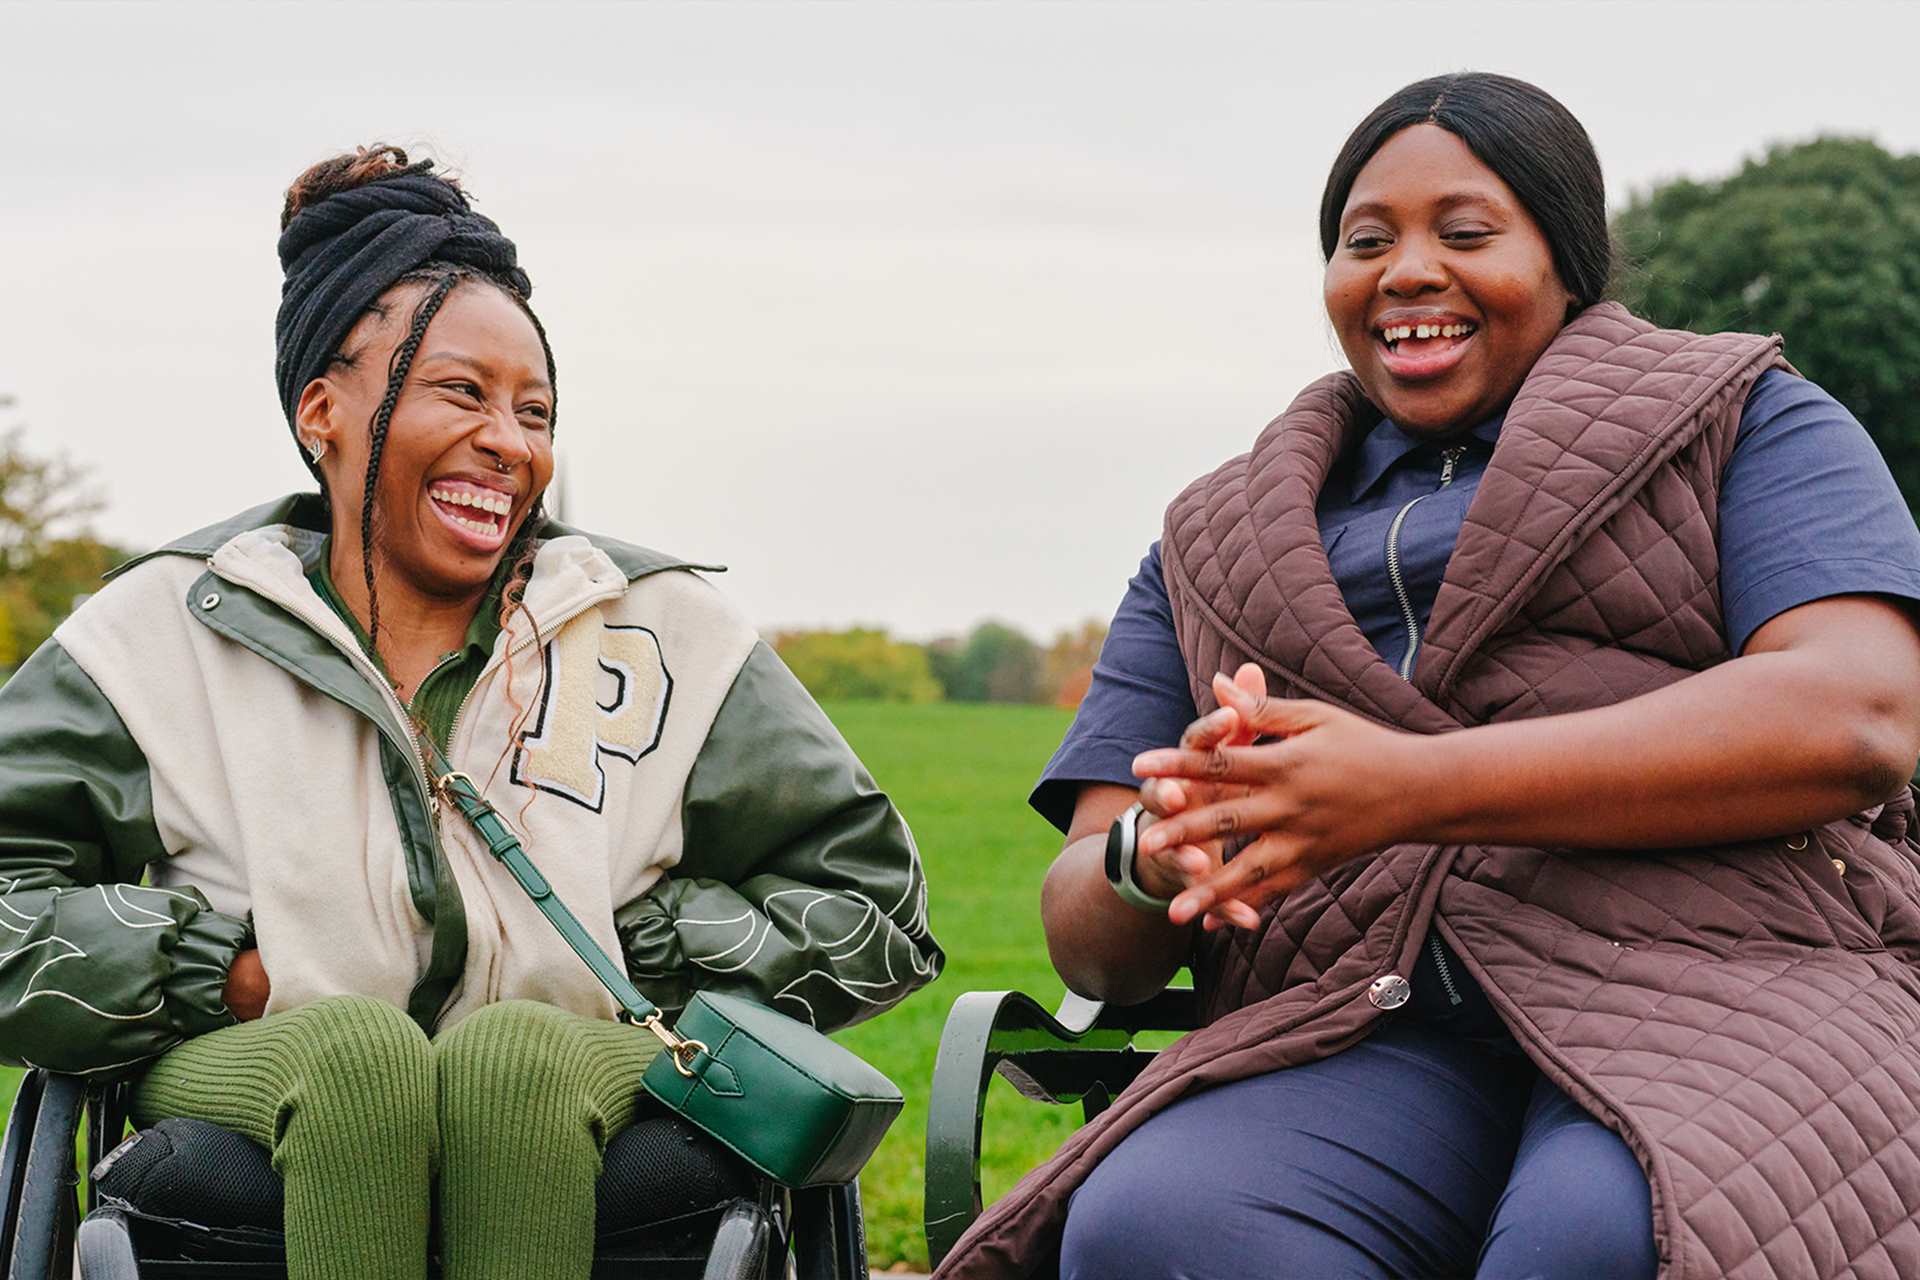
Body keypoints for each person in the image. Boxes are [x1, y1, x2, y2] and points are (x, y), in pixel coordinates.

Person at [935, 73, 1920, 1280]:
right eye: (1365, 241)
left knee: (1611, 1238)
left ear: (1566, 259)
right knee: (1162, 1229)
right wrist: (1158, 851)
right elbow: (1089, 943)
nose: (1405, 270)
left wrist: (1411, 784)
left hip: (1722, 984)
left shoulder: (1747, 420)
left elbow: (1856, 713)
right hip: (1359, 1015)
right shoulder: (1211, 539)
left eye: (1465, 234)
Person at [0, 146, 941, 1280]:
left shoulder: (661, 629)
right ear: (323, 411)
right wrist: (219, 968)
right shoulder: (160, 628)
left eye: (536, 409)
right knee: (357, 1057)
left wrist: (630, 944)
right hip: (257, 1055)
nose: (511, 440)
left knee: (516, 1058)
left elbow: (872, 902)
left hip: (579, 1062)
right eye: (462, 391)